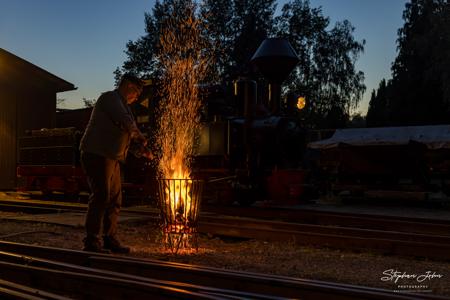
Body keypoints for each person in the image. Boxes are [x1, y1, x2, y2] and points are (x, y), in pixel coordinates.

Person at [79, 73, 153, 253]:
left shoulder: (125, 107)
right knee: (102, 195)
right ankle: (91, 241)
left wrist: (141, 151)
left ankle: (109, 238)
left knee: (115, 200)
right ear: (128, 86)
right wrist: (139, 135)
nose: (137, 97)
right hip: (96, 154)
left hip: (112, 157)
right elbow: (126, 123)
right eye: (137, 92)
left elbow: (125, 135)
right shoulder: (110, 98)